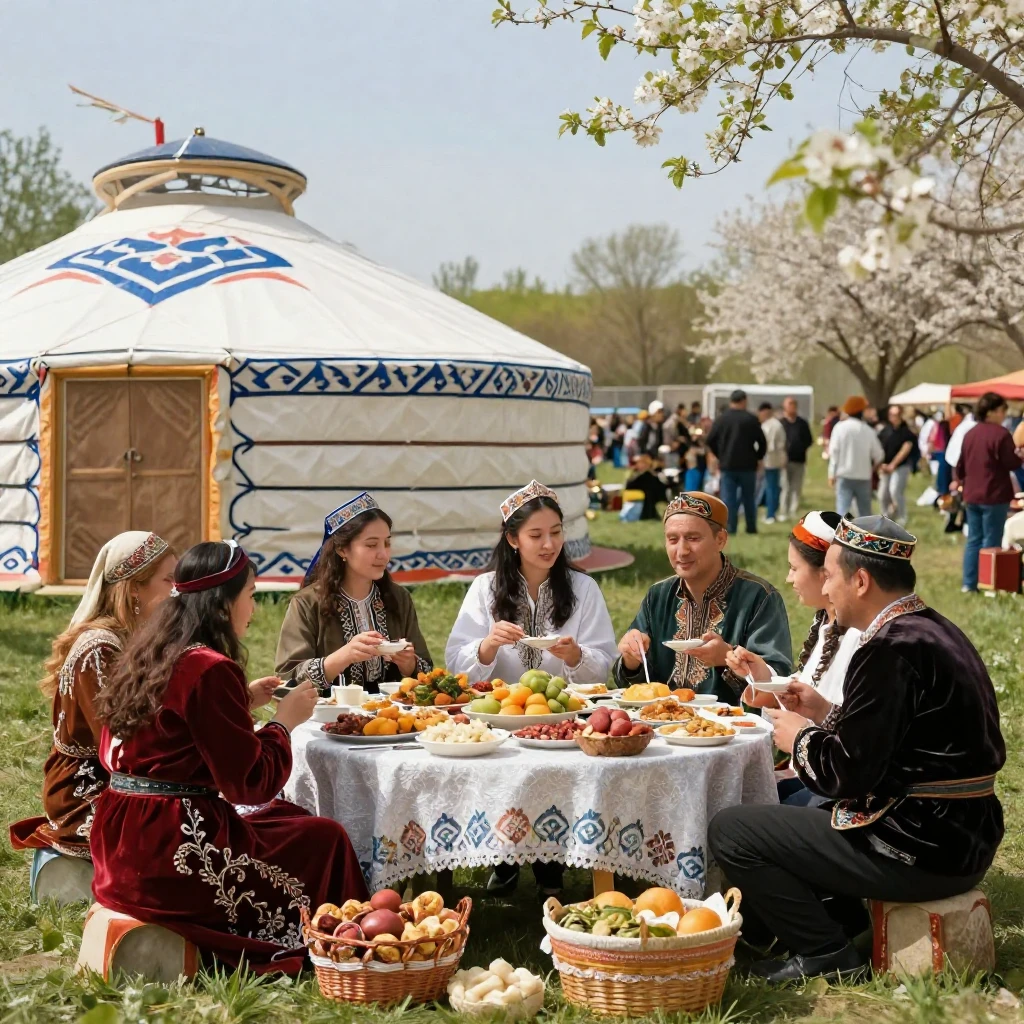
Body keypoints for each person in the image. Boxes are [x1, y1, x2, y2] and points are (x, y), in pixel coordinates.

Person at [709, 516, 1005, 983]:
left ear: (861, 581)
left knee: (731, 830)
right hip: (965, 836)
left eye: (829, 575)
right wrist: (823, 711)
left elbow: (847, 775)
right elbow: (900, 741)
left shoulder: (889, 648)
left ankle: (826, 953)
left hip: (919, 846)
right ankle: (840, 924)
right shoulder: (936, 630)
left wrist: (799, 738)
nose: (826, 589)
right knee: (782, 810)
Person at [91, 541, 369, 974]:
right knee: (324, 837)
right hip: (171, 850)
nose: (253, 608)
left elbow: (168, 734)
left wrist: (240, 699)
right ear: (223, 605)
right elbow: (250, 784)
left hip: (120, 837)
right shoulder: (209, 668)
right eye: (251, 595)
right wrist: (284, 722)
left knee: (286, 816)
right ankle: (343, 944)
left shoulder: (149, 652)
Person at [446, 481, 617, 897]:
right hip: (499, 717)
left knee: (553, 780)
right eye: (536, 535)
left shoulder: (583, 589)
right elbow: (456, 662)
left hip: (562, 716)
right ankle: (504, 860)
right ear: (512, 539)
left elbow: (604, 660)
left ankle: (550, 866)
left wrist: (576, 656)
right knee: (503, 778)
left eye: (556, 532)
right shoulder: (485, 589)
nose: (549, 544)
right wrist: (488, 645)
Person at [10, 533, 176, 862]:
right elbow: (121, 744)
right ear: (134, 588)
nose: (176, 591)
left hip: (122, 775)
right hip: (86, 790)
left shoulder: (136, 637)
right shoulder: (98, 648)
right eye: (168, 580)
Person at [727, 512, 862, 806]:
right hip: (813, 773)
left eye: (794, 568)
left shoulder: (857, 638)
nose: (789, 578)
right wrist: (762, 677)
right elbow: (807, 696)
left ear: (825, 573)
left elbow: (848, 733)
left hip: (833, 788)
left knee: (734, 811)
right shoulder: (826, 624)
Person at [613, 492, 791, 704]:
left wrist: (727, 657)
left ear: (720, 540)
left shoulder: (758, 597)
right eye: (672, 539)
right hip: (664, 719)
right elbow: (633, 684)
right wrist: (631, 659)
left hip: (731, 721)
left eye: (693, 538)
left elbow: (778, 682)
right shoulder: (658, 596)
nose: (682, 551)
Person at [276, 493, 432, 694]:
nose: (383, 555)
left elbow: (427, 672)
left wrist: (409, 664)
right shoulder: (307, 603)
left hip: (392, 711)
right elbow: (287, 680)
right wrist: (343, 656)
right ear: (342, 549)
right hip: (328, 711)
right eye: (371, 545)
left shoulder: (398, 598)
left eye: (387, 543)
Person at [956, 392, 1023, 592]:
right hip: (994, 493)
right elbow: (1011, 463)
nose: (1004, 414)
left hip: (972, 494)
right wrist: (1019, 456)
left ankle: (968, 583)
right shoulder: (1001, 434)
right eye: (1002, 410)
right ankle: (988, 582)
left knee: (973, 539)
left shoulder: (970, 434)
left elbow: (960, 467)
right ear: (991, 412)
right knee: (991, 540)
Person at [705, 390, 767, 534]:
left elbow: (710, 440)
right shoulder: (751, 419)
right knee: (749, 498)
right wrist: (758, 457)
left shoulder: (722, 419)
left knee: (728, 498)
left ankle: (731, 527)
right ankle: (751, 527)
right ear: (744, 401)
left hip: (728, 465)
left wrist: (720, 455)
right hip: (748, 465)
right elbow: (762, 442)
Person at [828, 396, 884, 517]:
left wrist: (831, 474)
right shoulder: (868, 430)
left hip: (844, 475)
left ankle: (842, 529)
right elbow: (879, 455)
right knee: (865, 513)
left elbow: (834, 452)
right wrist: (872, 468)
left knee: (842, 510)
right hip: (863, 476)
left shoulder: (839, 428)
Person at [877, 405, 918, 525]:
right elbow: (878, 448)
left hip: (901, 466)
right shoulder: (885, 431)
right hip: (885, 466)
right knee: (882, 494)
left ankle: (901, 516)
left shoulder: (906, 432)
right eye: (891, 414)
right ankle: (885, 517)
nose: (893, 417)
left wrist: (893, 465)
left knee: (895, 491)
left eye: (895, 415)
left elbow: (905, 449)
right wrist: (881, 464)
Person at [779, 396, 814, 522]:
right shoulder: (781, 423)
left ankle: (793, 510)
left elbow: (809, 440)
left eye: (793, 405)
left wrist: (801, 447)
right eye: (789, 404)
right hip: (784, 460)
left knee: (796, 486)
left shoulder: (802, 423)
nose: (792, 407)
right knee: (785, 486)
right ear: (785, 407)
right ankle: (784, 510)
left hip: (799, 460)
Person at [757, 402, 787, 525]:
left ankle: (770, 514)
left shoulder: (770, 426)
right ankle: (773, 512)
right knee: (773, 487)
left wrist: (760, 458)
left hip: (770, 460)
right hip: (776, 459)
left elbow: (769, 445)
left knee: (771, 488)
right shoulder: (776, 424)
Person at [662, 403, 692, 471]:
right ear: (680, 410)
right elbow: (672, 432)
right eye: (684, 410)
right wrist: (677, 439)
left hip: (679, 445)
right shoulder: (675, 419)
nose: (686, 412)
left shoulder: (680, 419)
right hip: (673, 446)